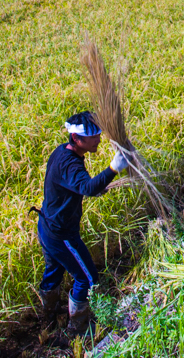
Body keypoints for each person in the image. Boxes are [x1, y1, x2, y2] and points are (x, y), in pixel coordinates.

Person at [31, 111, 130, 334]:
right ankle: (76, 329)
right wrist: (113, 168)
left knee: (54, 271)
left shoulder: (62, 152)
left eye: (98, 134)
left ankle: (48, 316)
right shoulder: (70, 164)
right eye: (93, 137)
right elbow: (86, 187)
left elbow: (77, 185)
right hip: (61, 235)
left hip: (47, 226)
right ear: (76, 138)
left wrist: (94, 187)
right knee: (87, 278)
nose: (98, 140)